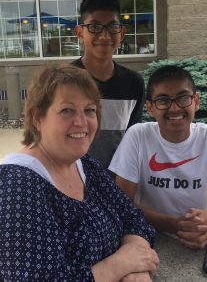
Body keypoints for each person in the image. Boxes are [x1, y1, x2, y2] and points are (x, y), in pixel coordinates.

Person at [0, 65, 159, 281]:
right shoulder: (18, 185)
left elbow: (132, 217)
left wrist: (136, 263)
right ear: (38, 117)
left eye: (89, 110)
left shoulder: (83, 164)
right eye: (67, 110)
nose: (82, 122)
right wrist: (120, 264)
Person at [109, 65, 207, 250]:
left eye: (183, 98)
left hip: (199, 236)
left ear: (196, 101)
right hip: (147, 235)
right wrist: (174, 224)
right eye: (163, 100)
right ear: (150, 107)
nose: (174, 108)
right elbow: (122, 204)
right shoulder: (138, 137)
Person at [72, 0, 145, 169]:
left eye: (112, 27)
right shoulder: (65, 80)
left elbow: (132, 139)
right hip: (72, 181)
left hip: (117, 183)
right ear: (80, 32)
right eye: (95, 27)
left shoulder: (133, 83)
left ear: (122, 33)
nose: (104, 36)